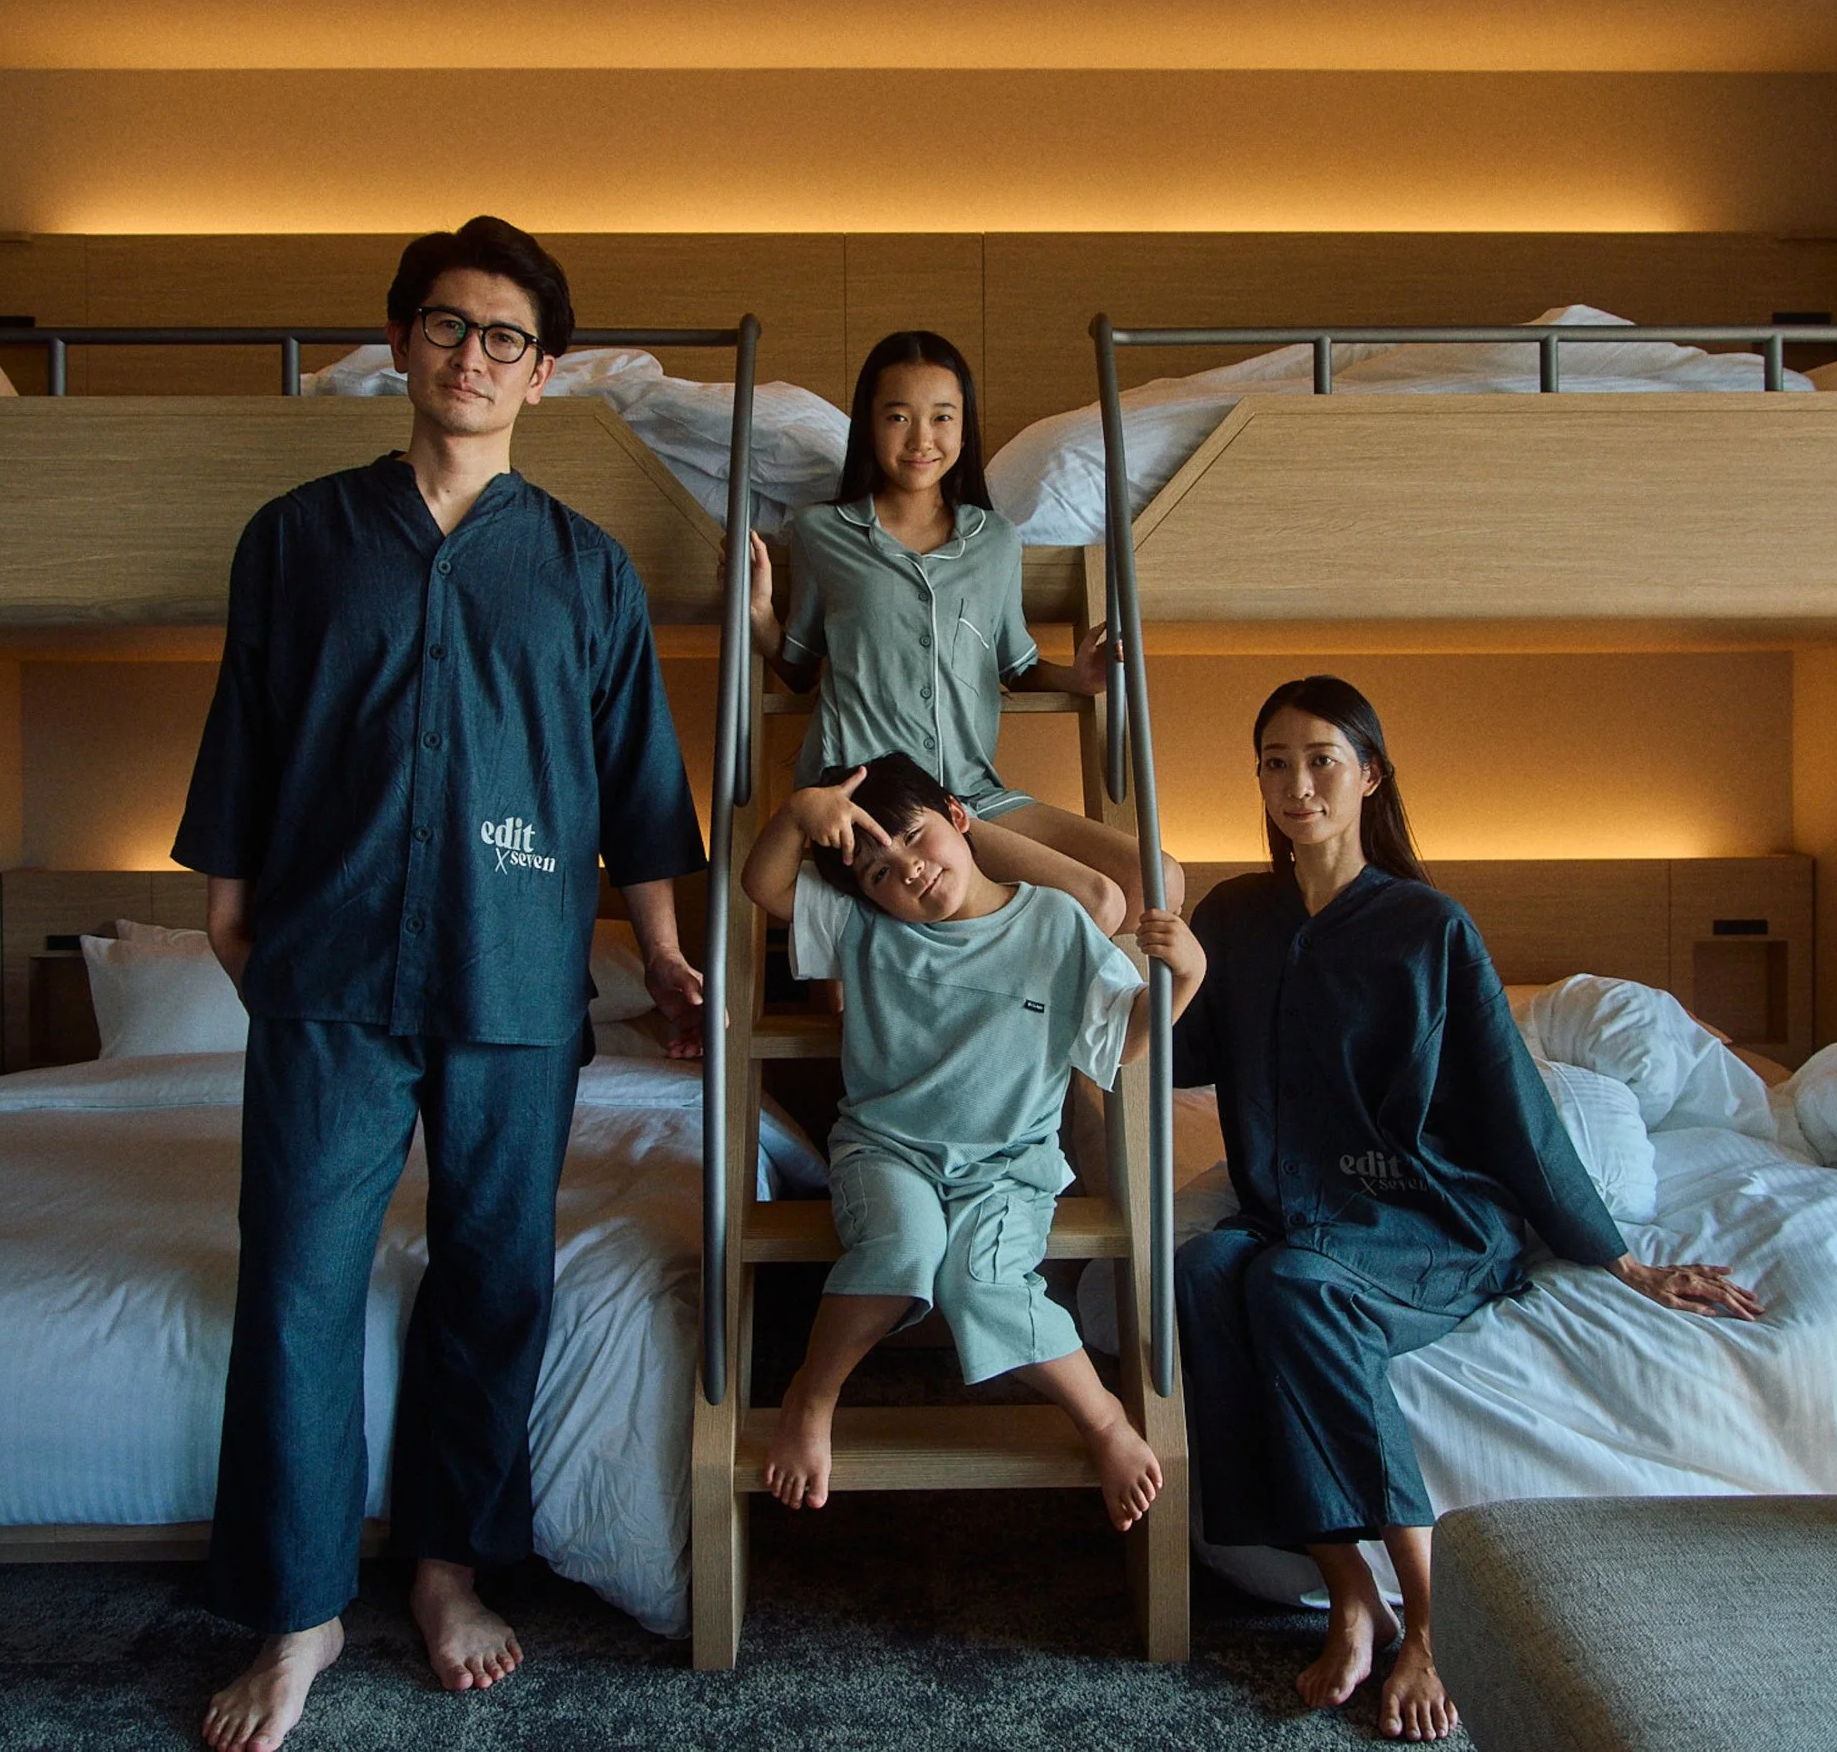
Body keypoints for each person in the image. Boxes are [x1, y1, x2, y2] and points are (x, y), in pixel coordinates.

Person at [174, 217, 708, 1752]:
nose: (474, 357)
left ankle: (447, 1567)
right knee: (295, 1272)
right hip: (329, 958)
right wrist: (227, 904)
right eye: (448, 326)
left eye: (506, 339)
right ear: (405, 342)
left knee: (493, 1274)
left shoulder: (587, 571)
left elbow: (638, 788)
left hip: (517, 963)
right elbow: (249, 732)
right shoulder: (294, 539)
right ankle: (298, 1609)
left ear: (543, 375)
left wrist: (662, 946)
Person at [1173, 676, 1763, 1743]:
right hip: (1299, 1212)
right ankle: (1344, 1586)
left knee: (1292, 1284)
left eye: (1319, 759)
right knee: (1207, 1271)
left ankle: (1430, 1621)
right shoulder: (1234, 917)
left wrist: (1617, 1259)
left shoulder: (1426, 927)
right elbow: (1180, 1057)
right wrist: (1158, 974)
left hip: (1430, 1219)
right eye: (1272, 760)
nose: (1294, 783)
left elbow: (1513, 1104)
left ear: (1368, 776)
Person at [739, 752, 1203, 1530]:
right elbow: (764, 886)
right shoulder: (863, 924)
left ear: (959, 817)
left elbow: (1122, 1041)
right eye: (880, 871)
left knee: (983, 1282)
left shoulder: (1056, 921)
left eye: (916, 841)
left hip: (1008, 1166)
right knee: (904, 1249)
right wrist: (795, 815)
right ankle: (810, 1398)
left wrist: (1184, 980)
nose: (908, 874)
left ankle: (1105, 1422)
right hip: (888, 1151)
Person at [737, 329, 1180, 932]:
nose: (922, 438)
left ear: (964, 429)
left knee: (1157, 880)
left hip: (970, 791)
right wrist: (760, 616)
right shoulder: (824, 534)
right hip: (878, 804)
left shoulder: (996, 540)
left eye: (942, 417)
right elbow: (796, 668)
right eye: (898, 416)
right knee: (1098, 901)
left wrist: (1076, 677)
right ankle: (995, 997)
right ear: (869, 425)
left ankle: (992, 968)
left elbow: (1015, 667)